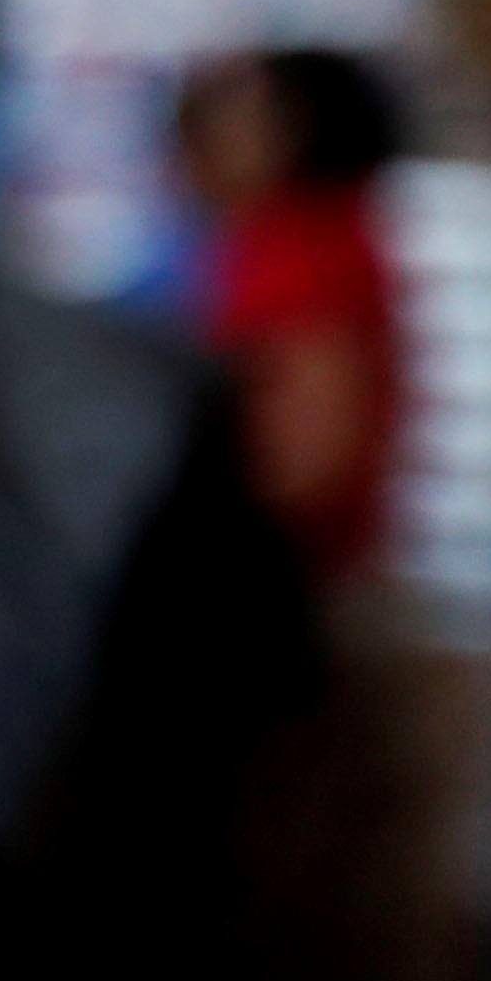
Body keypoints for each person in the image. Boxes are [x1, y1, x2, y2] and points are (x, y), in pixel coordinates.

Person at [176, 45, 407, 588]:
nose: (209, 127)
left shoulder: (305, 250)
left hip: (270, 567)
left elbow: (310, 458)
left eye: (239, 109)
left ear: (295, 127)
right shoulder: (315, 234)